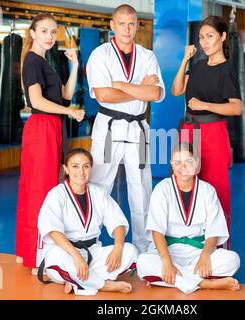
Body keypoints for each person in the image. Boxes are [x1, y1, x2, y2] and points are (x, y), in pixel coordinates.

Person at [86, 4, 165, 253]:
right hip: (110, 128)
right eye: (122, 23)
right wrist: (137, 87)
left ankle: (144, 250)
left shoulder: (147, 55)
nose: (127, 28)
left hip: (138, 129)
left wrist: (121, 85)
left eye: (132, 23)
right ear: (112, 25)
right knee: (100, 185)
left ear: (138, 25)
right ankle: (90, 242)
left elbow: (155, 92)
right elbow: (103, 95)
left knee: (142, 188)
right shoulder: (100, 55)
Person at [16, 13, 85, 272]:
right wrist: (69, 112)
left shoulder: (45, 62)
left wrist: (75, 65)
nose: (50, 36)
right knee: (40, 192)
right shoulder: (33, 61)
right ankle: (35, 256)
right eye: (44, 31)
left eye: (53, 32)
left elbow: (65, 95)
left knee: (43, 189)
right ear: (32, 33)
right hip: (42, 127)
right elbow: (36, 101)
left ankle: (26, 252)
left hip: (52, 127)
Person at [171, 16, 242, 249]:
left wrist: (206, 105)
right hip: (188, 131)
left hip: (213, 132)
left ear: (222, 37)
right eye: (201, 37)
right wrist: (184, 59)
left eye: (210, 36)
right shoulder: (199, 66)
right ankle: (188, 245)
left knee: (216, 187)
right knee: (185, 184)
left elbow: (236, 107)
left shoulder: (227, 70)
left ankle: (220, 248)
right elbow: (176, 90)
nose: (204, 42)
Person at [136, 142, 240, 294]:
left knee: (233, 260)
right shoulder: (162, 189)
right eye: (177, 162)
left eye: (188, 161)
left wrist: (205, 256)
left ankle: (169, 280)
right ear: (171, 164)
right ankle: (204, 283)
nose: (182, 167)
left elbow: (214, 229)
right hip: (167, 250)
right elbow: (156, 231)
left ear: (197, 163)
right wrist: (166, 261)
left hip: (198, 251)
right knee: (143, 262)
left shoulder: (207, 191)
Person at [37, 148, 137, 295]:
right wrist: (76, 256)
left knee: (130, 251)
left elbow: (118, 223)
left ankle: (77, 281)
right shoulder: (56, 195)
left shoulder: (98, 193)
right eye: (75, 166)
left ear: (91, 168)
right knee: (55, 257)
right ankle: (103, 284)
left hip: (93, 253)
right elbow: (53, 231)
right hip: (67, 252)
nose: (81, 172)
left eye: (86, 166)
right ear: (65, 169)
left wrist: (118, 246)